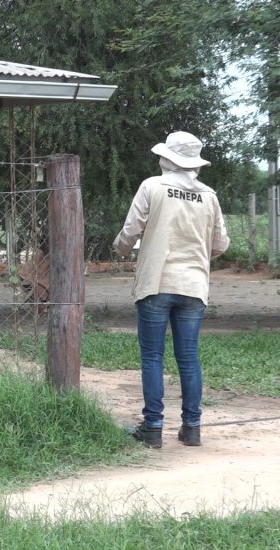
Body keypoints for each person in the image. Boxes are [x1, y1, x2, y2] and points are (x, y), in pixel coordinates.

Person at [112, 131, 230, 449]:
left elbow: (131, 230)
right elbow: (220, 244)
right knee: (188, 357)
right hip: (193, 284)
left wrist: (121, 248)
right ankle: (191, 428)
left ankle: (152, 428)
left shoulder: (153, 186)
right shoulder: (209, 195)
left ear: (168, 159)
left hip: (156, 281)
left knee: (153, 356)